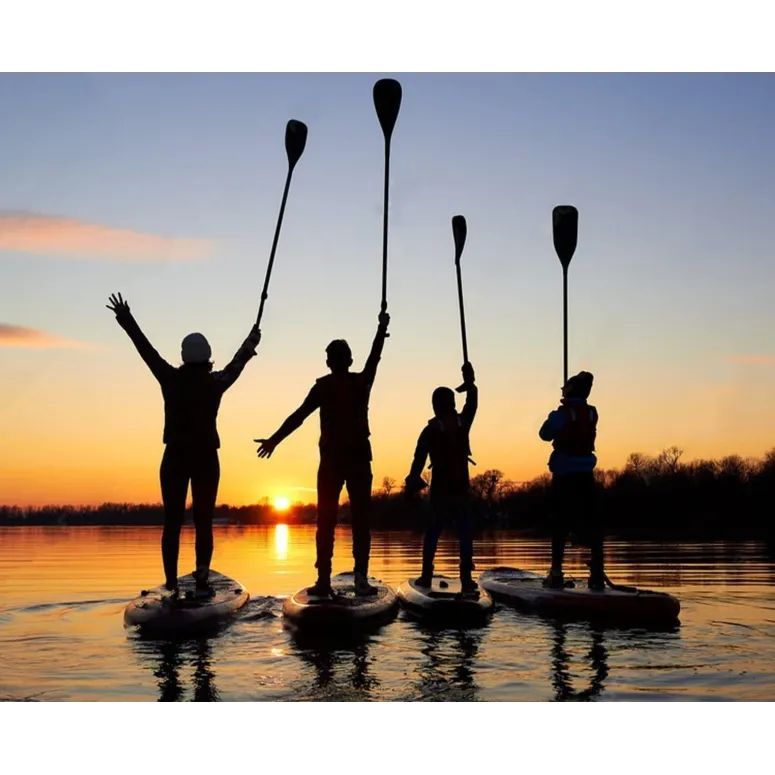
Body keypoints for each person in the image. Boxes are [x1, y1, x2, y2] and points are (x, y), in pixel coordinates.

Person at [106, 292, 261, 598]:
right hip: (205, 458)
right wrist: (250, 344)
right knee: (204, 520)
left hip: (174, 456)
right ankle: (202, 578)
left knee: (172, 521)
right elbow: (237, 365)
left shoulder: (169, 378)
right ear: (207, 356)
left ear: (184, 355)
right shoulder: (215, 383)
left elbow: (146, 351)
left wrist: (126, 320)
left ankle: (171, 583)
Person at [255, 311, 390, 597]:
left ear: (331, 362)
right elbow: (374, 360)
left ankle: (329, 580)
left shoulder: (344, 384)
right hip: (341, 462)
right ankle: (351, 579)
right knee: (352, 520)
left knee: (333, 520)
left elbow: (298, 416)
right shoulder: (348, 384)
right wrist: (380, 332)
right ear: (343, 361)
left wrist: (275, 440)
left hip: (343, 461)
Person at [404, 362, 478, 593]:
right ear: (453, 404)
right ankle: (466, 577)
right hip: (461, 489)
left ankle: (426, 575)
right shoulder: (462, 424)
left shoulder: (429, 431)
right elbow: (472, 404)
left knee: (433, 531)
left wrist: (412, 481)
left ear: (435, 406)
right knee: (465, 532)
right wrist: (471, 384)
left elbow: (418, 459)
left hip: (441, 491)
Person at [538, 370, 604, 590]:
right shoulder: (592, 413)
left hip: (565, 475)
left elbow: (544, 434)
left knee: (559, 523)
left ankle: (556, 573)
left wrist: (557, 414)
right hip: (586, 474)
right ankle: (596, 574)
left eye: (564, 387)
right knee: (593, 522)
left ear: (571, 390)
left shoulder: (562, 414)